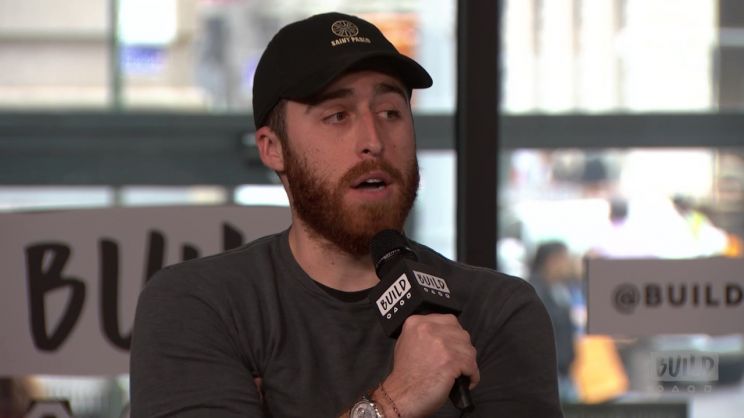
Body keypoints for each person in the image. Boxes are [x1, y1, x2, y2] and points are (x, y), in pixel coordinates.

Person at [130, 12, 562, 418]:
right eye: (337, 116)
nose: (373, 139)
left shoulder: (497, 311)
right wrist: (397, 399)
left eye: (391, 112)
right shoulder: (201, 305)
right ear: (273, 148)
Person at [527, 242, 578, 402]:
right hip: (547, 374)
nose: (568, 264)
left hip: (563, 372)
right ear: (552, 260)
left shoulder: (559, 288)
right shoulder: (534, 291)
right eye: (565, 258)